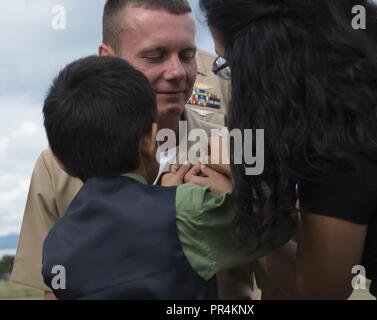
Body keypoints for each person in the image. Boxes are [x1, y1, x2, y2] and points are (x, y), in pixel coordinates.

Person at [12, 0, 257, 300]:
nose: (177, 72)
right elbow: (55, 291)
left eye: (188, 55)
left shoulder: (239, 149)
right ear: (108, 58)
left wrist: (248, 183)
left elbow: (296, 261)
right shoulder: (55, 165)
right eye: (155, 55)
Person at [199, 0, 377, 299]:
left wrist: (236, 203)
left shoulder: (341, 126)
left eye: (231, 65)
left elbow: (319, 291)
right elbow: (341, 218)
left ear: (262, 57)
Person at [40, 55, 297, 299]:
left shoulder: (55, 247)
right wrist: (237, 170)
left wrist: (162, 197)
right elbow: (279, 224)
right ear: (151, 139)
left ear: (62, 162)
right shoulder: (189, 210)